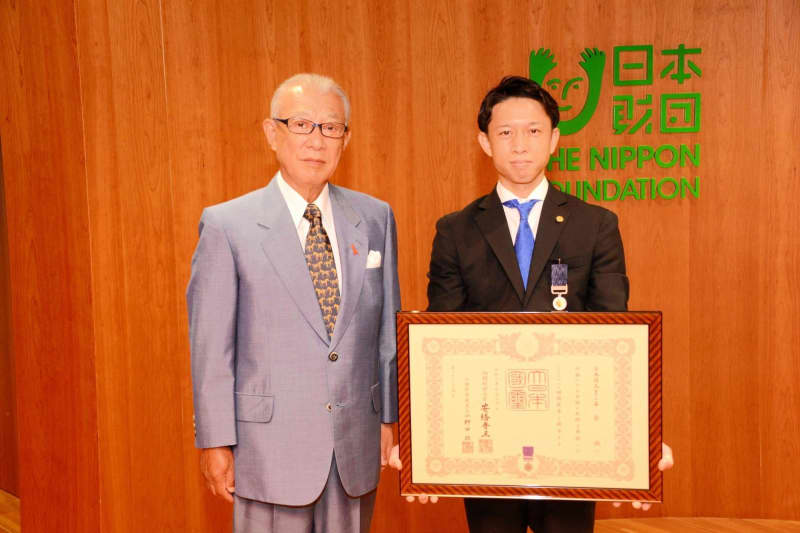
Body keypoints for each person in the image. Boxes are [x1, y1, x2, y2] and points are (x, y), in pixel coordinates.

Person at [422, 75, 672, 532]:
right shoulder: (454, 231)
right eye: (505, 132)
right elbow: (442, 341)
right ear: (484, 142)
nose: (520, 144)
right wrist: (428, 440)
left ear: (555, 139)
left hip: (572, 437)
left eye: (534, 131)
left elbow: (616, 338)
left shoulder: (595, 225)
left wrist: (641, 436)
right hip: (487, 440)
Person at [187, 73, 400, 533]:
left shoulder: (375, 217)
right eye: (301, 124)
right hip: (266, 448)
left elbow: (386, 330)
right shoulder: (229, 225)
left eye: (331, 127)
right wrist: (215, 440)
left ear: (346, 138)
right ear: (272, 132)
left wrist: (389, 418)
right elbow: (211, 349)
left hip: (354, 445)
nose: (316, 141)